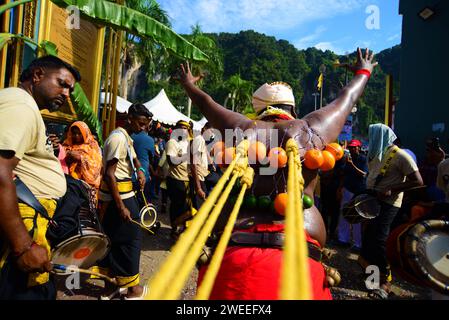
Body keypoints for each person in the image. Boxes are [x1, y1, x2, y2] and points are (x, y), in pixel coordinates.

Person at [175, 48, 378, 300]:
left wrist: (188, 84)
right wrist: (363, 71)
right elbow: (346, 99)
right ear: (292, 108)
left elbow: (206, 103)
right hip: (301, 257)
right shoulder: (310, 129)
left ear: (257, 108)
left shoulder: (242, 128)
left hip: (235, 254)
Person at [0, 55, 80, 299]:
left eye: (70, 90)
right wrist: (23, 246)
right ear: (37, 75)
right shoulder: (21, 106)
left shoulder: (24, 106)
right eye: (62, 84)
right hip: (22, 229)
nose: (67, 94)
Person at [358, 123, 423, 299]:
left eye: (372, 135)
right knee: (369, 236)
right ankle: (372, 277)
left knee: (380, 239)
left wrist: (392, 189)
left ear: (381, 136)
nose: (369, 138)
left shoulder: (401, 156)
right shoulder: (374, 153)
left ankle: (385, 282)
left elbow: (418, 181)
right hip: (372, 199)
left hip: (389, 203)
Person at [97, 103, 149, 299]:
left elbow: (133, 159)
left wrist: (141, 171)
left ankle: (110, 287)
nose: (143, 128)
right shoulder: (118, 138)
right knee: (131, 240)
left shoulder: (126, 137)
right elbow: (110, 175)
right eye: (141, 123)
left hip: (123, 195)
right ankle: (133, 291)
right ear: (130, 119)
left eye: (146, 124)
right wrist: (121, 207)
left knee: (112, 240)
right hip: (119, 198)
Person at [165, 120, 206, 238]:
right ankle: (174, 229)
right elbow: (171, 162)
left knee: (188, 208)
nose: (184, 130)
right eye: (181, 127)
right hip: (175, 180)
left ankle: (180, 229)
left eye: (186, 128)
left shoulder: (187, 143)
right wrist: (187, 155)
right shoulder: (172, 142)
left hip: (187, 179)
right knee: (178, 206)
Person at [336, 139, 367, 250]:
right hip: (347, 189)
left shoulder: (363, 159)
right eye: (351, 147)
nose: (352, 149)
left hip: (358, 191)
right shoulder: (348, 159)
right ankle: (343, 239)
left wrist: (352, 165)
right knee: (344, 214)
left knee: (356, 217)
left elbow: (364, 174)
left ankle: (357, 244)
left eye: (354, 147)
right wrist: (340, 188)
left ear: (359, 147)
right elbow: (344, 175)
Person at [61, 121, 102, 198]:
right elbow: (62, 162)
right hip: (68, 185)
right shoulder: (66, 145)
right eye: (74, 133)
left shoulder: (92, 146)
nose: (76, 136)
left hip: (86, 189)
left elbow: (96, 165)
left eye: (79, 133)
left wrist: (81, 158)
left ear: (85, 133)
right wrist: (69, 155)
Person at [130, 107, 155, 204]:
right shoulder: (150, 140)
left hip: (130, 177)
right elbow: (151, 158)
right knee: (144, 205)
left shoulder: (130, 136)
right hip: (144, 177)